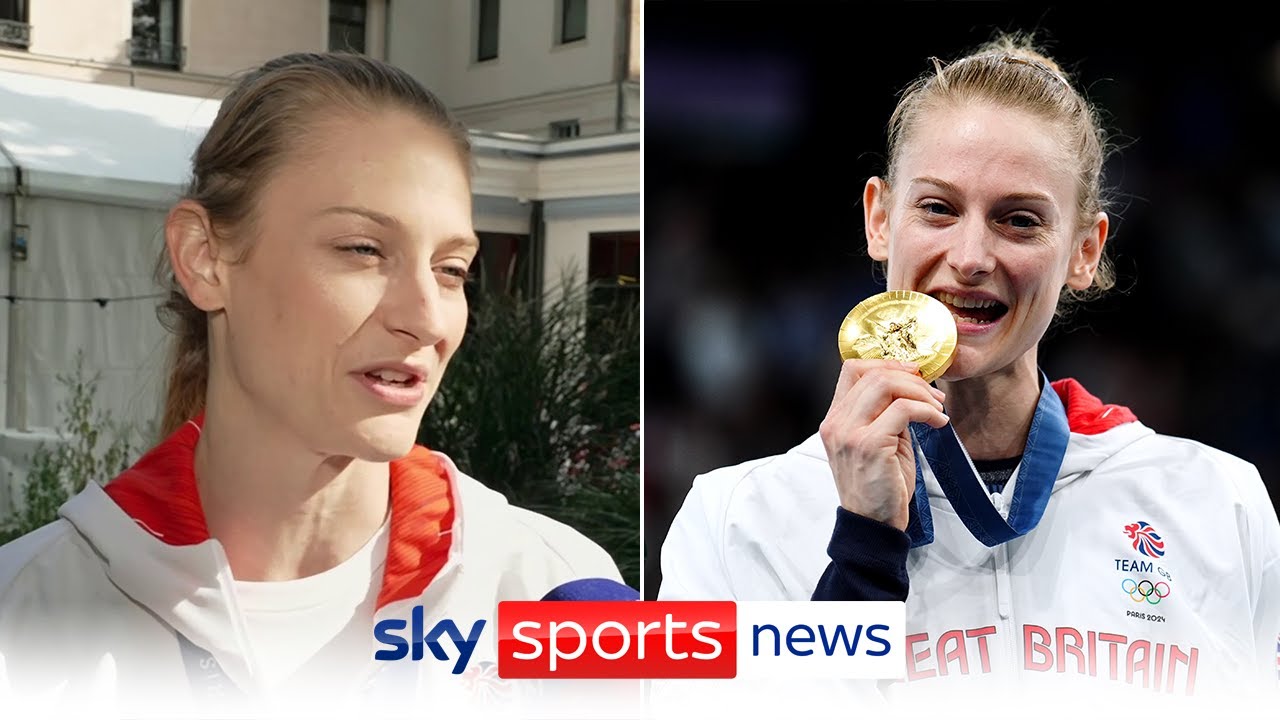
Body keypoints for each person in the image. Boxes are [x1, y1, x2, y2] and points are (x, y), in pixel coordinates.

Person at [659, 35, 1280, 705]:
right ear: (878, 218)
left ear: (1083, 250)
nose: (972, 255)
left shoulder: (1219, 505)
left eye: (1019, 220)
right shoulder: (735, 521)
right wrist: (864, 549)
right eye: (937, 209)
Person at [0, 52, 621, 715]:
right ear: (205, 259)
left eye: (451, 268)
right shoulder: (28, 614)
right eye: (363, 250)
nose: (426, 318)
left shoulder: (561, 594)